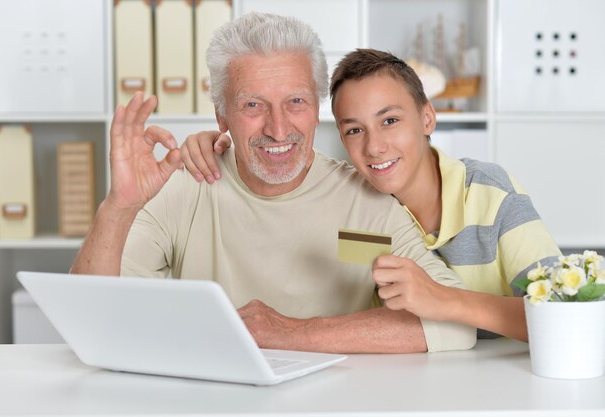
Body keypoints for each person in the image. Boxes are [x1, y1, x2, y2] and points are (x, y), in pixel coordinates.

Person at [71, 13, 475, 353]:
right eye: (252, 105)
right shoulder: (186, 187)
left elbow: (455, 326)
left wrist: (292, 333)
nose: (278, 129)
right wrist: (120, 206)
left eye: (295, 102)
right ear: (222, 116)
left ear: (317, 110)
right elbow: (90, 318)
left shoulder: (363, 208)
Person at [184, 49, 561, 342]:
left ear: (427, 118)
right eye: (354, 130)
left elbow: (569, 314)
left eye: (390, 121)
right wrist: (225, 149)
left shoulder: (490, 195)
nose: (375, 147)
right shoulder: (358, 207)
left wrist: (445, 299)